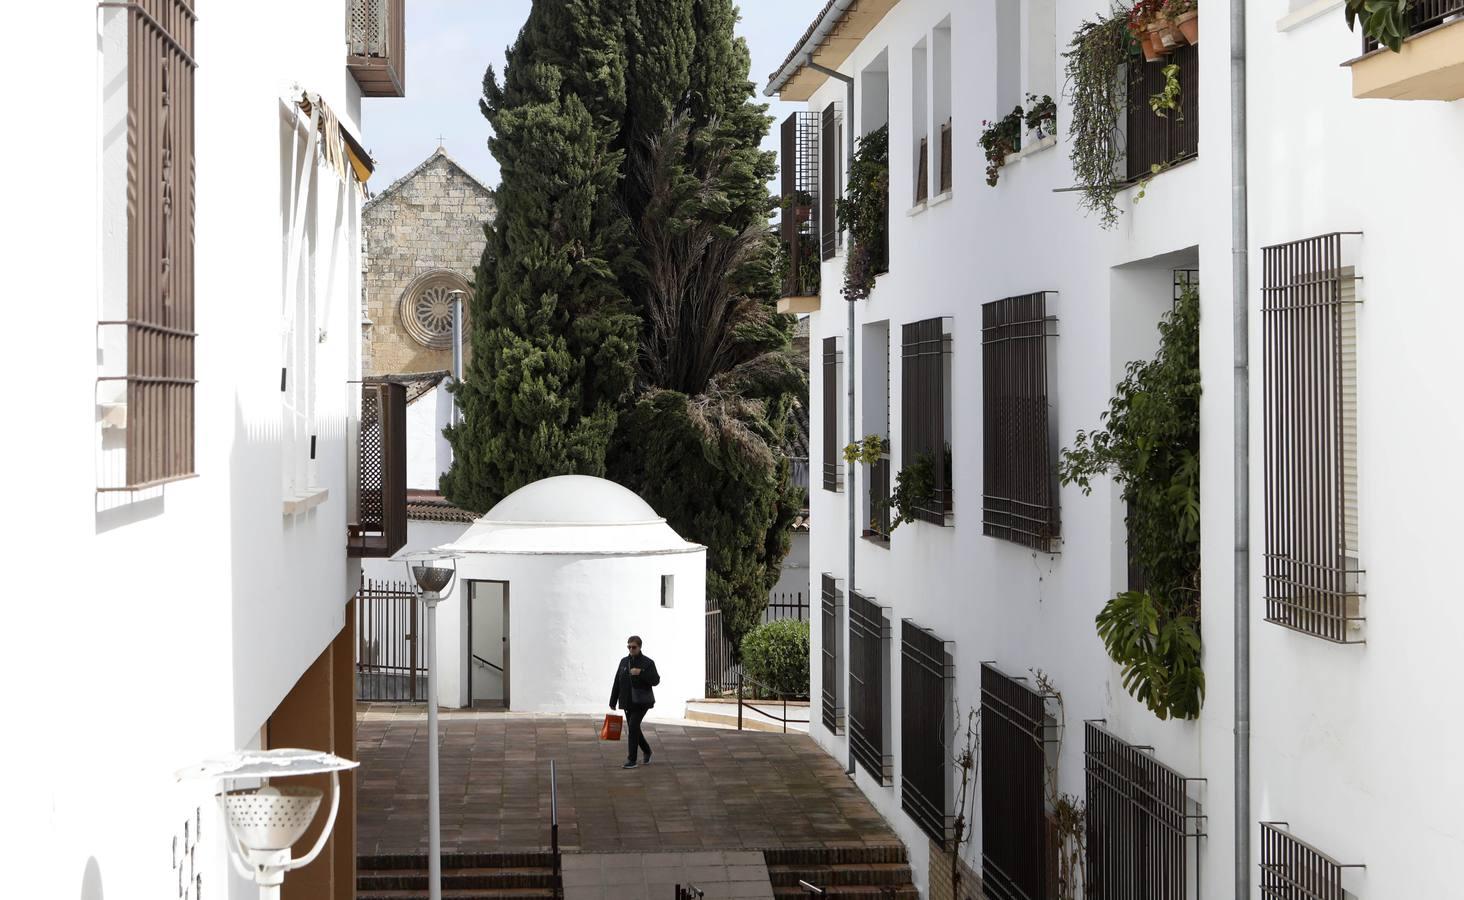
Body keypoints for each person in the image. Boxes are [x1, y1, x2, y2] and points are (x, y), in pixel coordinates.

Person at [608, 634, 660, 769]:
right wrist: (613, 701)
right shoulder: (624, 661)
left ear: (639, 647)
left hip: (642, 702)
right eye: (629, 647)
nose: (631, 649)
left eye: (634, 647)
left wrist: (640, 673)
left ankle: (632, 759)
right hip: (627, 701)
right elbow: (617, 681)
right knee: (634, 727)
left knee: (632, 726)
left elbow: (656, 680)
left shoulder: (648, 663)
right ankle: (647, 750)